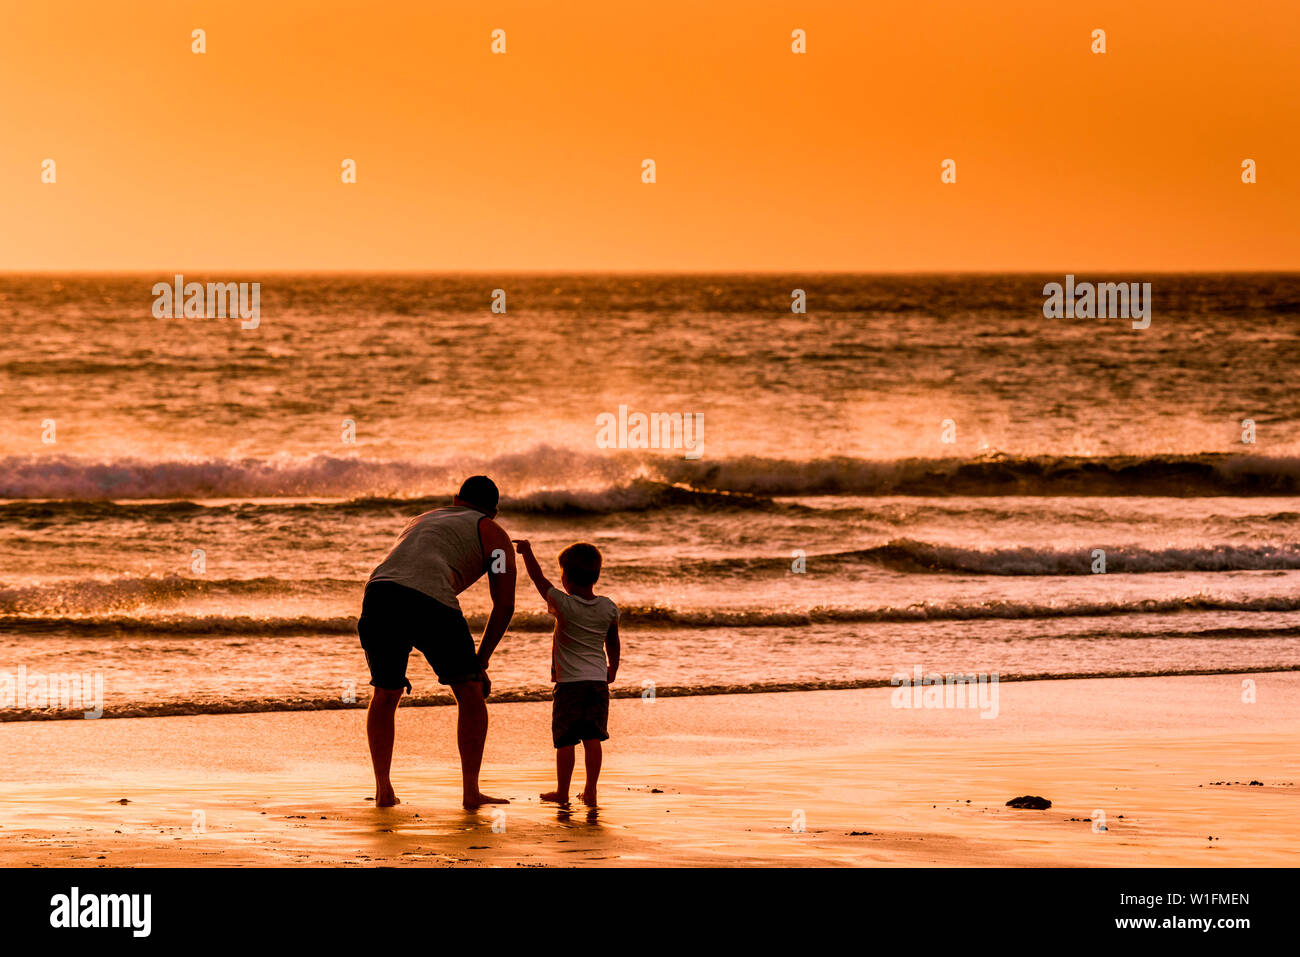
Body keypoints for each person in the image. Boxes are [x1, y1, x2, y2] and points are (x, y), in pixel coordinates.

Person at [357, 475, 516, 808]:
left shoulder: (424, 518)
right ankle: (471, 792)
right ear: (494, 510)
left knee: (386, 692)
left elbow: (407, 566)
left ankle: (383, 790)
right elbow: (504, 605)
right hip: (430, 601)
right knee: (470, 692)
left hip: (379, 593)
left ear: (456, 499)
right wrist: (480, 662)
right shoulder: (494, 533)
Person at [513, 539, 620, 806]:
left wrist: (527, 551)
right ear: (595, 575)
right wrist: (613, 667)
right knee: (593, 737)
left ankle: (562, 791)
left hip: (569, 684)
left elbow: (538, 579)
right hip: (597, 682)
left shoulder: (564, 604)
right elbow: (613, 641)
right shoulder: (608, 607)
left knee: (566, 739)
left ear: (566, 578)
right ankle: (591, 790)